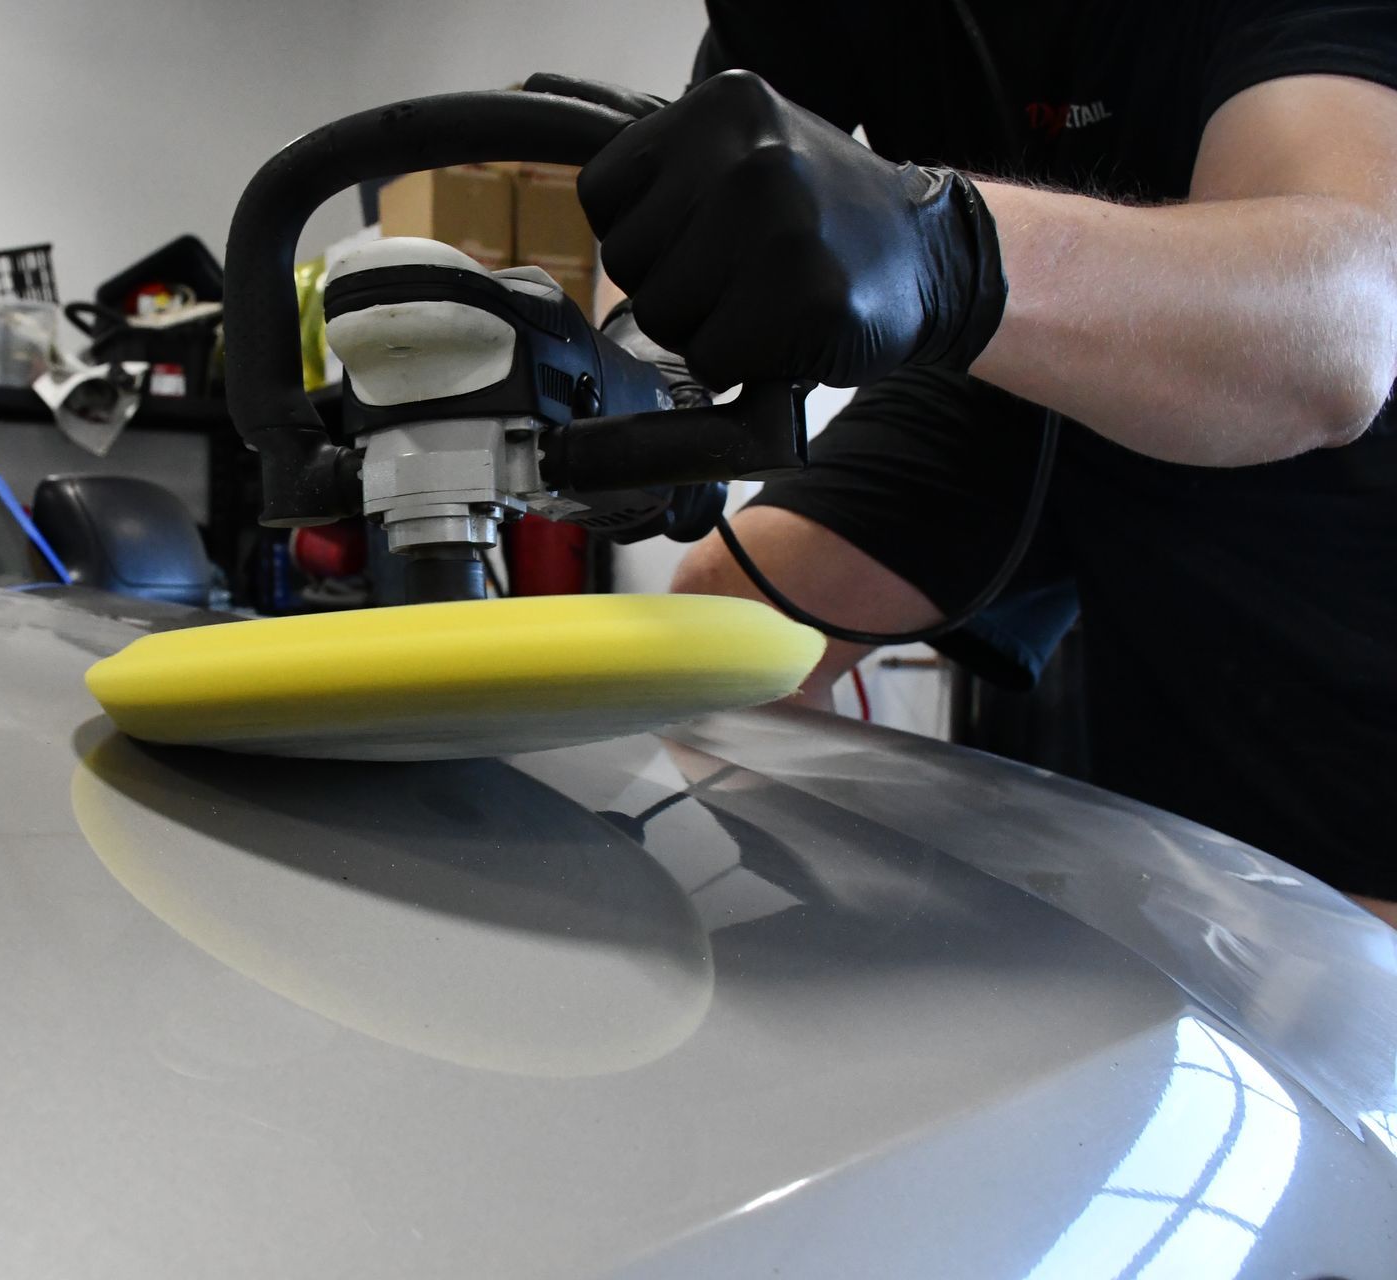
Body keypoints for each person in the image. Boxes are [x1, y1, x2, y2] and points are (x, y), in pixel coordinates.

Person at [535, 2, 1397, 923]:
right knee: (732, 641)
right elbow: (692, 197)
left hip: (1255, 361)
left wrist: (940, 247)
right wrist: (640, 389)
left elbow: (1342, 332)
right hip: (996, 359)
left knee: (1328, 914)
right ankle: (840, 945)